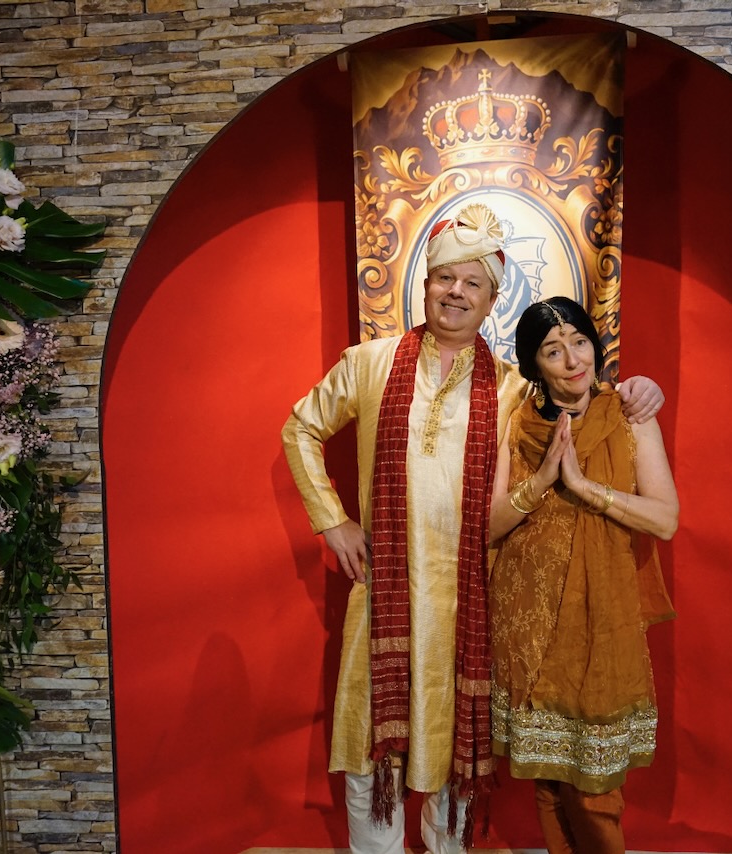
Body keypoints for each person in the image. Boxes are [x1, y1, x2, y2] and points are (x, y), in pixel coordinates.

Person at [281, 204, 663, 854]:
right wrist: (333, 520)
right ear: (426, 283)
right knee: (372, 759)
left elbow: (577, 392)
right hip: (385, 597)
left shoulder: (512, 389)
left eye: (472, 283)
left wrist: (638, 389)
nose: (456, 292)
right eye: (445, 278)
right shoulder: (369, 363)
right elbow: (300, 428)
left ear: (491, 300)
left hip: (470, 605)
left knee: (455, 758)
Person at [486, 296, 679, 854]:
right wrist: (542, 479)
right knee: (548, 779)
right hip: (528, 621)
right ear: (533, 364)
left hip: (600, 621)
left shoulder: (629, 415)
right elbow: (489, 526)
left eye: (579, 342)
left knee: (594, 790)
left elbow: (665, 519)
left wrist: (584, 487)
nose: (572, 360)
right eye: (553, 350)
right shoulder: (516, 422)